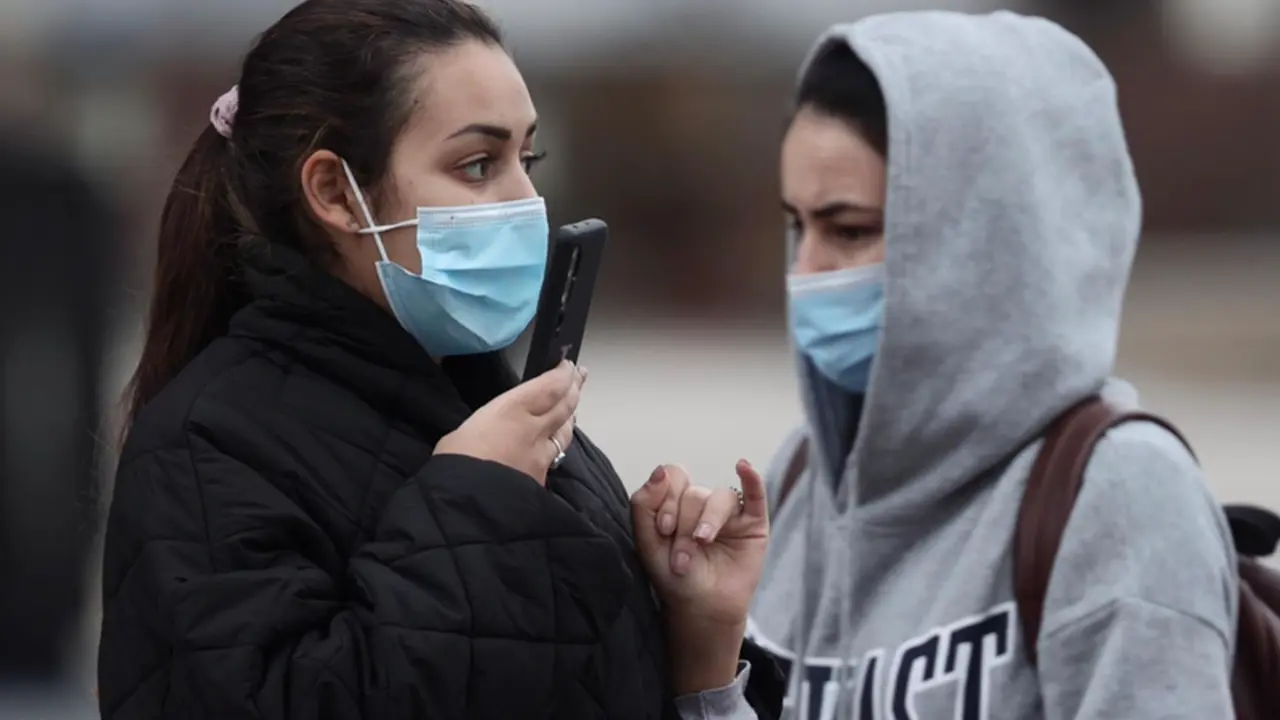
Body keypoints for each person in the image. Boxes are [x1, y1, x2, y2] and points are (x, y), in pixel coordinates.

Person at [97, 1, 781, 718]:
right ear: (335, 192)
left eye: (529, 158)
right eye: (477, 164)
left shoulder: (509, 424)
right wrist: (473, 502)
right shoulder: (211, 444)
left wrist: (699, 646)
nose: (526, 199)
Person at [745, 11, 1237, 720]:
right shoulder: (799, 476)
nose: (806, 270)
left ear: (980, 235)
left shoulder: (1119, 493)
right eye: (799, 225)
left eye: (849, 230)